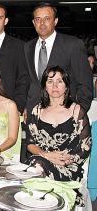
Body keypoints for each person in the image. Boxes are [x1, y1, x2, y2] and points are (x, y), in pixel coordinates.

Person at [25, 66, 91, 206]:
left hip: (68, 167)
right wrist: (46, 155)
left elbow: (85, 147)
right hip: (41, 160)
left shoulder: (76, 110)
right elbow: (30, 144)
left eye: (59, 81)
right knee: (36, 163)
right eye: (50, 81)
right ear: (44, 86)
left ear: (66, 85)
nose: (55, 86)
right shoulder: (37, 111)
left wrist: (64, 160)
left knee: (35, 167)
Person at [24, 2, 93, 112]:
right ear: (33, 22)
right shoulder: (27, 47)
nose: (42, 23)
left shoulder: (73, 44)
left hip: (65, 112)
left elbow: (85, 82)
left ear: (55, 21)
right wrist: (26, 107)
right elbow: (28, 81)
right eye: (38, 19)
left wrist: (80, 110)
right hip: (34, 112)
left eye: (47, 18)